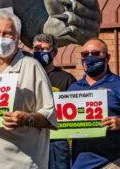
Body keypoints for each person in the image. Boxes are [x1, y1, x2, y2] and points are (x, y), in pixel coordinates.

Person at [0, 10, 57, 169]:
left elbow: (50, 114)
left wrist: (28, 118)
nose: (1, 39)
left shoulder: (32, 67)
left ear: (17, 37)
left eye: (7, 34)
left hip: (20, 162)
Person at [68, 38, 120, 169]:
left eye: (96, 53)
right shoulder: (73, 88)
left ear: (107, 58)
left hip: (112, 162)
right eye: (85, 54)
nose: (90, 57)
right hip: (79, 162)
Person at [33, 33, 77, 169]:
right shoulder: (27, 76)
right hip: (32, 137)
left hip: (57, 141)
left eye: (45, 49)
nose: (40, 52)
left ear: (55, 52)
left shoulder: (66, 79)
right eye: (37, 49)